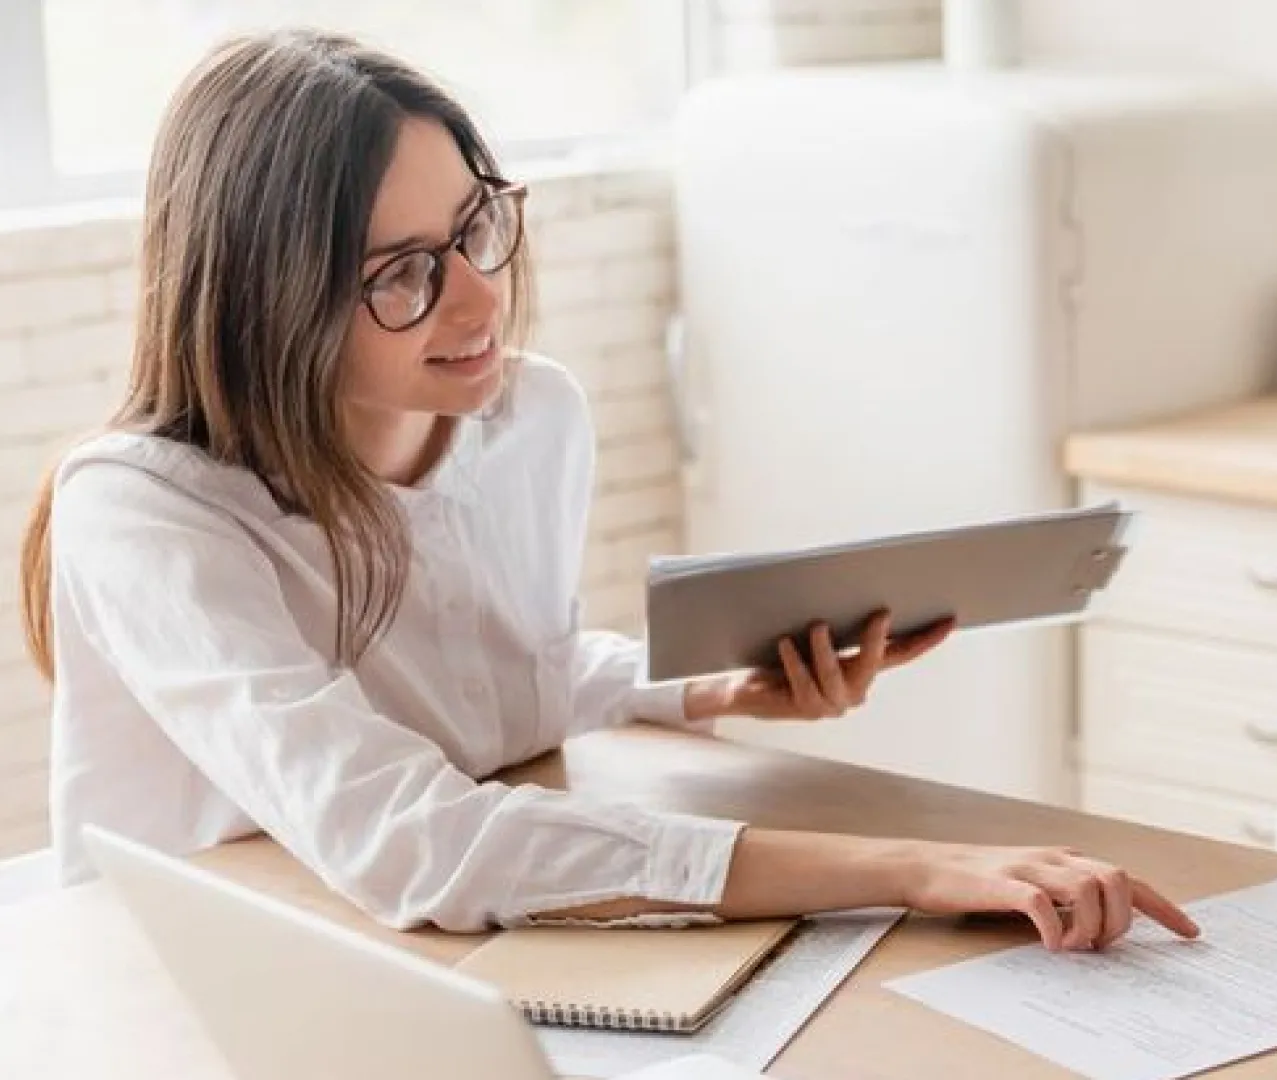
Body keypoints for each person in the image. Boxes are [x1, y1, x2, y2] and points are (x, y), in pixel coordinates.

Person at [25, 29, 1199, 951]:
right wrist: (907, 868)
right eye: (405, 277)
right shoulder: (146, 515)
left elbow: (491, 693)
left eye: (476, 226)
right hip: (180, 975)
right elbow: (409, 838)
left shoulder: (527, 420)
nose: (481, 300)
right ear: (262, 298)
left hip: (415, 947)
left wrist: (708, 688)